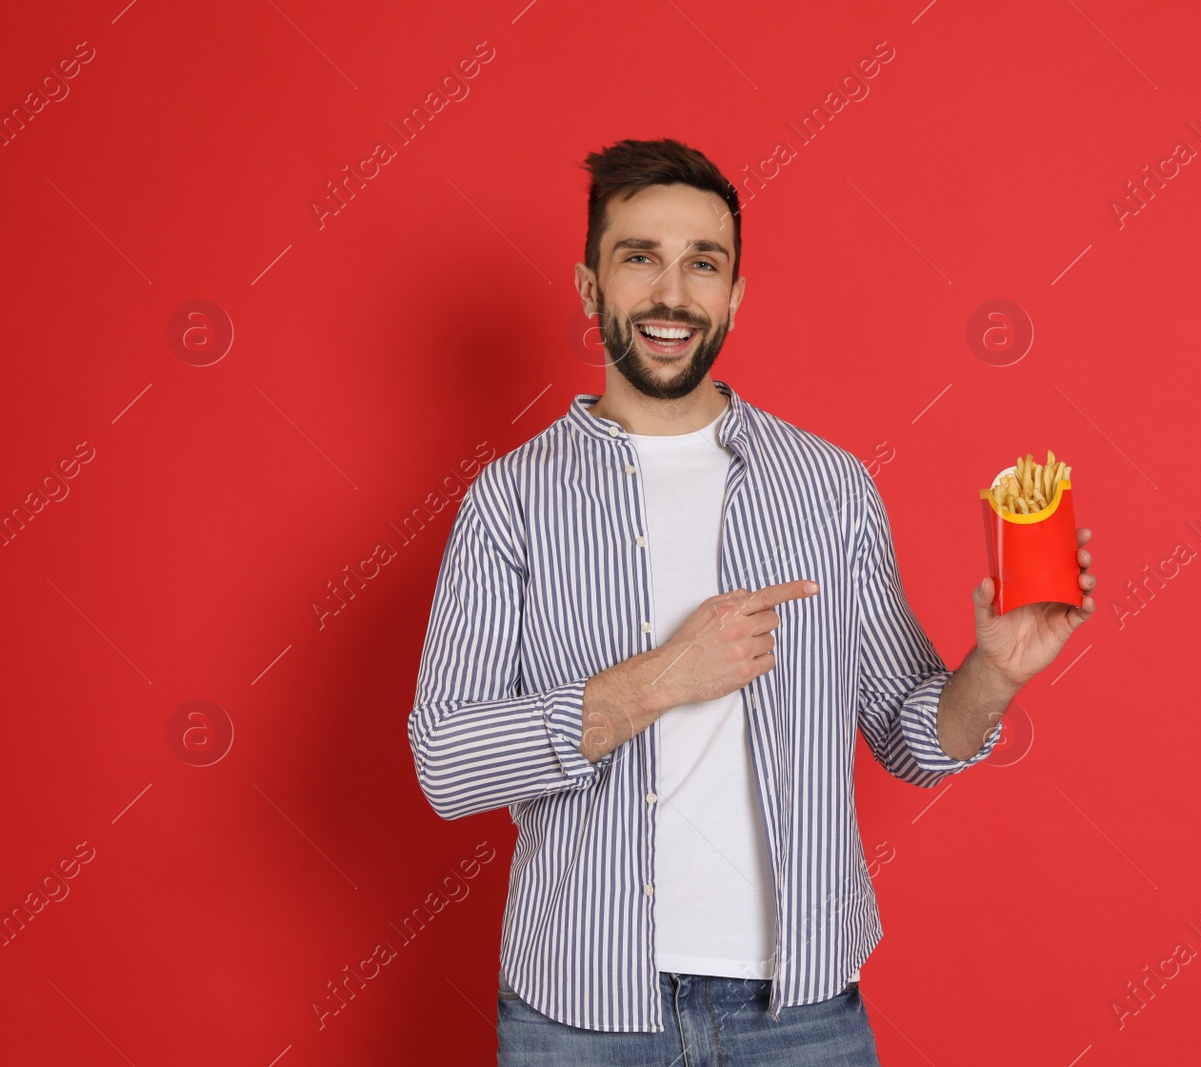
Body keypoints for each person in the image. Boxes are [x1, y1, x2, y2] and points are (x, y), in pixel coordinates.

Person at [407, 137, 1097, 1066]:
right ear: (588, 287)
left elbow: (911, 737)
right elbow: (446, 761)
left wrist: (994, 672)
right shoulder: (511, 500)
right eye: (640, 256)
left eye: (704, 263)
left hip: (800, 1015)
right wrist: (659, 679)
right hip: (576, 1008)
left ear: (735, 295)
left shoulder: (828, 487)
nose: (673, 292)